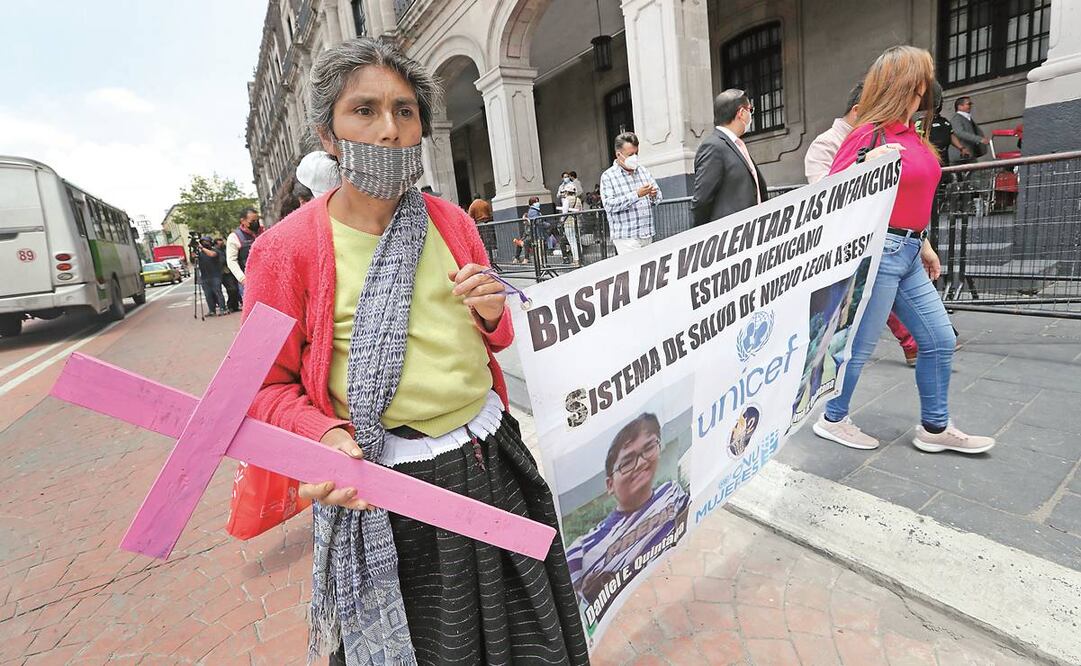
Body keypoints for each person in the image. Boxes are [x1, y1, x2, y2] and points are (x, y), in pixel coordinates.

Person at [240, 37, 589, 666]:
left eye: (405, 112)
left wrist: (489, 312)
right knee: (437, 646)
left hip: (491, 458)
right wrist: (322, 435)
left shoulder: (451, 222)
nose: (389, 130)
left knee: (531, 638)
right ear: (327, 133)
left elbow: (494, 334)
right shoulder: (286, 252)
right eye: (364, 111)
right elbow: (264, 388)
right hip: (393, 487)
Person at [812, 45, 995, 455]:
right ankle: (833, 418)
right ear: (908, 84)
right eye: (922, 78)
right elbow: (828, 197)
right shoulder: (868, 133)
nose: (927, 86)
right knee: (859, 345)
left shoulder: (912, 134)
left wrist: (925, 243)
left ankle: (935, 427)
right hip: (881, 252)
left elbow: (912, 198)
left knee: (939, 339)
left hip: (909, 251)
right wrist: (865, 164)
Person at [805, 82, 921, 367]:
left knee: (876, 293)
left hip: (878, 232)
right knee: (847, 303)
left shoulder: (875, 136)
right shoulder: (826, 143)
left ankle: (912, 343)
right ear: (858, 111)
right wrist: (862, 163)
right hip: (844, 237)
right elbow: (822, 190)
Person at [565, 413, 689, 605]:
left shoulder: (671, 492)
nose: (641, 464)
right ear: (609, 484)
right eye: (627, 461)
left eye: (649, 448)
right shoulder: (580, 551)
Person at [690, 89, 768, 228]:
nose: (751, 115)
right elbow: (702, 202)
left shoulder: (737, 144)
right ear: (741, 113)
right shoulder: (713, 147)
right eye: (750, 110)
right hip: (732, 237)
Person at [600, 132, 662, 254]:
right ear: (619, 154)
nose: (635, 157)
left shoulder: (643, 171)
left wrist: (653, 195)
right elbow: (609, 205)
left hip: (647, 233)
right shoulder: (608, 176)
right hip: (626, 237)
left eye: (636, 153)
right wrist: (636, 195)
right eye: (630, 154)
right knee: (635, 271)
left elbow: (659, 196)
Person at [226, 207, 261, 299]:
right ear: (243, 221)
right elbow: (231, 261)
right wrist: (243, 279)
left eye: (257, 220)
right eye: (252, 221)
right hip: (249, 280)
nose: (255, 223)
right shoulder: (235, 237)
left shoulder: (263, 232)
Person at [950, 96, 989, 166]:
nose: (970, 106)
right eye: (968, 104)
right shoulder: (957, 119)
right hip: (962, 155)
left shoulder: (966, 118)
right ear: (960, 106)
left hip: (969, 154)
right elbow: (959, 132)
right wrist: (979, 139)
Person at [194, 236, 226, 316]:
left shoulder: (215, 250)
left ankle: (223, 308)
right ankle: (212, 310)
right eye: (203, 242)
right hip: (205, 276)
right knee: (208, 294)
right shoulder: (200, 253)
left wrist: (202, 248)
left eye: (206, 241)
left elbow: (212, 255)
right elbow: (193, 260)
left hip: (215, 275)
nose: (205, 243)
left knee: (218, 292)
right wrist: (193, 251)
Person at [216, 237, 241, 313]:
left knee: (235, 289)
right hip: (223, 272)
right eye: (219, 241)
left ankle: (235, 306)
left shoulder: (226, 249)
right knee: (231, 289)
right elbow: (222, 260)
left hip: (231, 271)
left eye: (221, 240)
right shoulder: (216, 251)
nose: (221, 242)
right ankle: (230, 305)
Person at [516, 196, 541, 264]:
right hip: (529, 238)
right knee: (521, 242)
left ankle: (526, 258)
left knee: (526, 242)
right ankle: (516, 258)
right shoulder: (525, 226)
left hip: (534, 237)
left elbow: (531, 233)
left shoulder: (530, 224)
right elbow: (524, 234)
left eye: (525, 220)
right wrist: (521, 240)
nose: (524, 222)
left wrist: (524, 240)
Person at [561, 187, 583, 265]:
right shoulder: (578, 199)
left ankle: (576, 260)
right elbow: (580, 211)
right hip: (577, 222)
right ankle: (580, 258)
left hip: (569, 223)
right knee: (578, 241)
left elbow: (564, 212)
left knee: (572, 242)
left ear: (567, 192)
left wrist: (562, 220)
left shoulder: (566, 200)